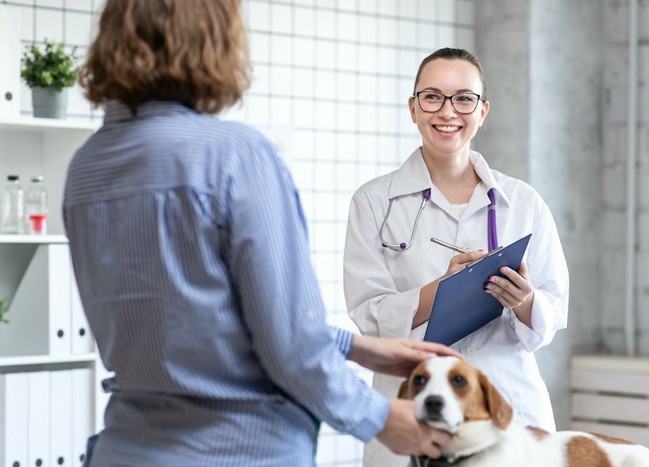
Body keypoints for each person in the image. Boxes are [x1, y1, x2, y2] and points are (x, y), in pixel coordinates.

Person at [62, 1, 460, 465]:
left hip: (126, 449)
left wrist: (356, 347)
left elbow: (196, 326)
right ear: (214, 40)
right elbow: (288, 345)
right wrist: (381, 418)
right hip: (240, 449)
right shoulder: (234, 155)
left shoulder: (86, 167)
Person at [344, 47, 570, 467]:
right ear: (413, 108)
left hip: (504, 410)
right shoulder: (374, 202)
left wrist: (523, 301)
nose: (448, 111)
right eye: (433, 97)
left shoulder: (523, 202)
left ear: (482, 111)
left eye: (464, 98)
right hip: (415, 412)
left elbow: (551, 317)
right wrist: (440, 291)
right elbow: (367, 316)